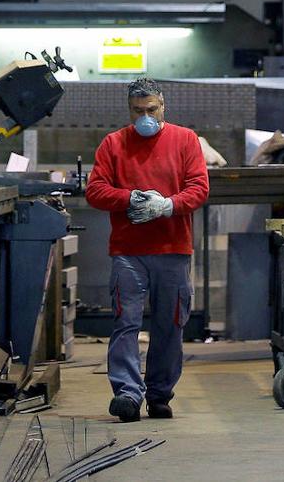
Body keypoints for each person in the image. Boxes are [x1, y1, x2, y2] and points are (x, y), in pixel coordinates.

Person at [84, 77, 209, 422]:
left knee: (170, 324)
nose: (145, 116)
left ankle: (159, 394)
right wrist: (129, 198)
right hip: (129, 251)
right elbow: (95, 191)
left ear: (163, 106)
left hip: (172, 248)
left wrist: (168, 205)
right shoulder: (114, 144)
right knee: (127, 322)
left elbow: (199, 188)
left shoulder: (185, 141)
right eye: (138, 111)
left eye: (151, 109)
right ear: (130, 110)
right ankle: (127, 393)